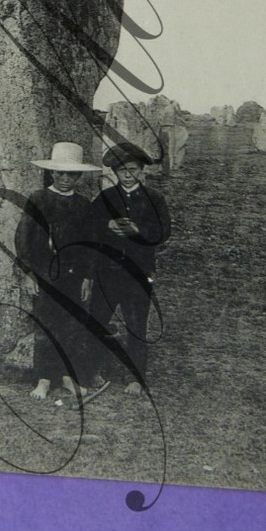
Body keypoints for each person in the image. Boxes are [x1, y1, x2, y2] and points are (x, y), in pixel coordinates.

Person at [14, 141, 101, 401]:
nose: (65, 179)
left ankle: (66, 376)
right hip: (44, 274)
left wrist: (87, 276)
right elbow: (23, 238)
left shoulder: (83, 205)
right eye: (60, 173)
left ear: (80, 176)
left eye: (72, 174)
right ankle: (42, 378)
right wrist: (28, 272)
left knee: (71, 326)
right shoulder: (39, 199)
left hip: (73, 276)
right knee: (45, 325)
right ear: (51, 173)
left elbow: (90, 244)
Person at [89, 140, 171, 395]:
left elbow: (163, 232)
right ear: (114, 172)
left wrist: (139, 231)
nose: (128, 174)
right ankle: (92, 371)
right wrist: (107, 227)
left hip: (138, 272)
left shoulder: (154, 199)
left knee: (137, 324)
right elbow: (87, 228)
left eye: (133, 169)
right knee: (98, 320)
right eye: (123, 170)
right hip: (107, 272)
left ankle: (135, 378)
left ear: (142, 171)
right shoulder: (105, 198)